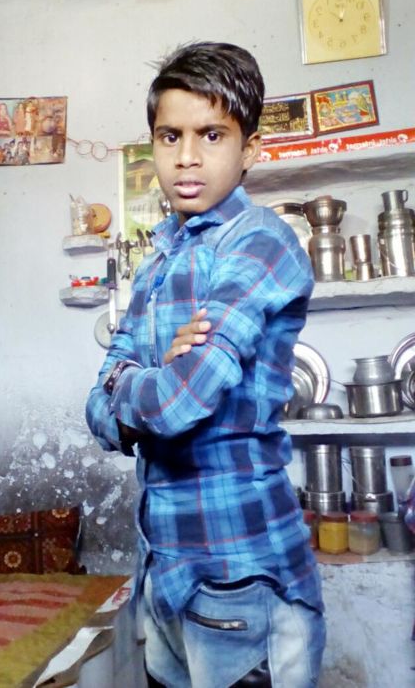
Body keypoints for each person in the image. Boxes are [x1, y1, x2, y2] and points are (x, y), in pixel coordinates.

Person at [85, 42, 325, 688]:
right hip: (163, 570)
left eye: (211, 135)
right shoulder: (159, 258)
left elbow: (179, 402)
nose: (187, 156)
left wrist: (130, 381)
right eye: (171, 136)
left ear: (249, 149)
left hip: (240, 574)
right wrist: (144, 377)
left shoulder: (260, 241)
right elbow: (96, 412)